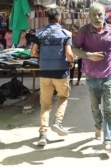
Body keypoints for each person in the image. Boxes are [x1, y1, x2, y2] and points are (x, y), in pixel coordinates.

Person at [72, 2, 111, 152]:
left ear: (105, 15)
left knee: (109, 109)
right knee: (95, 107)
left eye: (100, 14)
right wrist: (88, 55)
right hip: (90, 76)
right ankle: (98, 126)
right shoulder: (83, 31)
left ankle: (107, 139)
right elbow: (74, 49)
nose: (97, 17)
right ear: (89, 16)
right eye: (94, 15)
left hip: (109, 74)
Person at [30, 8, 74, 146]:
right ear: (59, 19)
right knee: (63, 96)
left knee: (45, 104)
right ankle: (57, 122)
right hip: (60, 72)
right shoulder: (66, 34)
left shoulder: (39, 33)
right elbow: (68, 54)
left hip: (44, 72)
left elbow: (33, 52)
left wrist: (43, 57)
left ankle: (43, 135)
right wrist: (71, 62)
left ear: (47, 19)